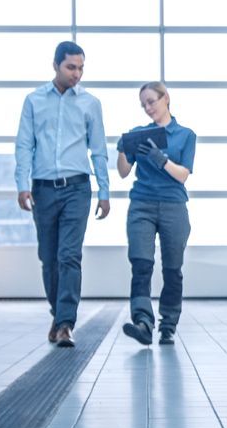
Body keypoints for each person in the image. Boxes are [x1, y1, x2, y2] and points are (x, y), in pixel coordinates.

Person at [14, 41, 110, 348]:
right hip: (43, 188)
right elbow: (24, 145)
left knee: (70, 256)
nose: (77, 74)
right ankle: (58, 314)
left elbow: (99, 150)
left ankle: (67, 323)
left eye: (81, 68)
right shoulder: (33, 101)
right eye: (71, 67)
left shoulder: (90, 104)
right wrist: (22, 184)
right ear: (55, 65)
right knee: (49, 258)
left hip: (78, 188)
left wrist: (104, 191)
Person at [116, 81, 195, 346]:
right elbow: (124, 171)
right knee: (141, 265)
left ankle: (168, 325)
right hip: (142, 204)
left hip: (174, 206)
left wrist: (160, 158)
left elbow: (183, 175)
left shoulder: (185, 135)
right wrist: (125, 149)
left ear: (166, 98)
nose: (148, 107)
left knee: (172, 269)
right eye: (143, 104)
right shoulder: (139, 133)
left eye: (151, 101)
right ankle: (143, 323)